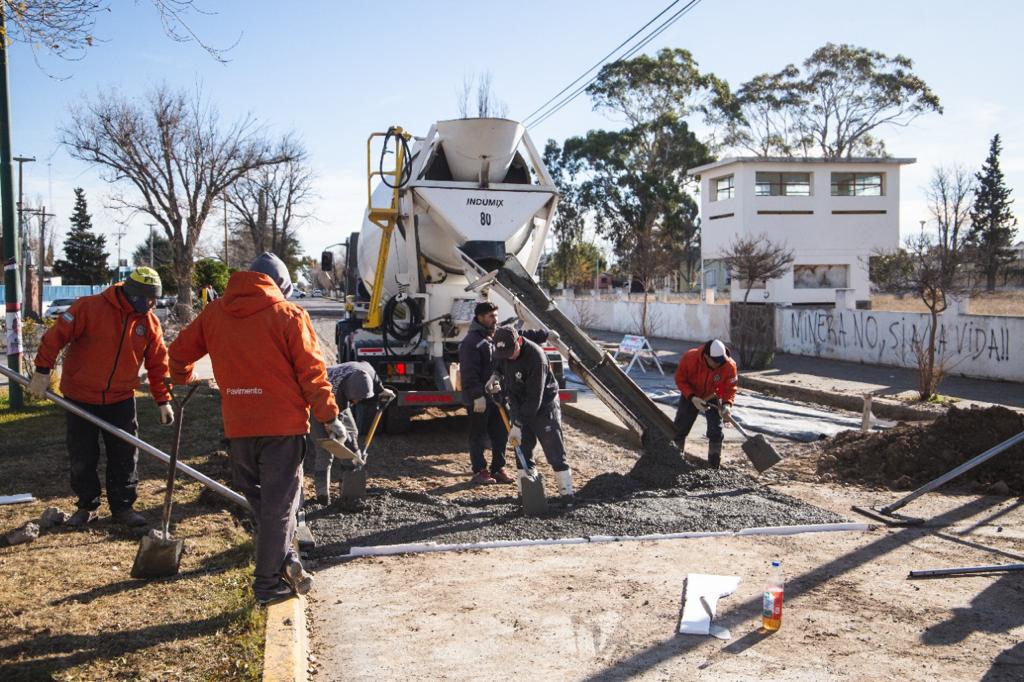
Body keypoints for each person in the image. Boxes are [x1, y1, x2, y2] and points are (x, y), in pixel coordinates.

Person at [168, 252, 344, 606]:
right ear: (280, 285)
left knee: (268, 507)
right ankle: (267, 586)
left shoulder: (215, 313)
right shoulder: (289, 315)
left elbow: (177, 354)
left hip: (238, 428)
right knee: (279, 509)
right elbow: (312, 374)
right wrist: (329, 417)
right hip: (282, 428)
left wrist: (184, 378)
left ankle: (288, 560)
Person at [28, 267, 173, 529]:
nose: (152, 304)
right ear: (134, 293)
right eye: (149, 299)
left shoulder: (148, 323)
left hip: (121, 398)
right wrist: (41, 371)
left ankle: (123, 507)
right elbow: (54, 337)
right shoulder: (89, 308)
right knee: (83, 455)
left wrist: (163, 400)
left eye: (155, 299)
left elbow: (158, 364)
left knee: (125, 455)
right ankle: (87, 506)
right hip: (81, 396)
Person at [491, 324, 573, 502]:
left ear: (519, 341)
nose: (509, 358)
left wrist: (518, 425)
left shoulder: (536, 358)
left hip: (543, 406)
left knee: (555, 452)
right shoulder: (501, 348)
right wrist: (495, 377)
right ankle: (527, 496)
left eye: (512, 353)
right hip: (518, 403)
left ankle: (566, 495)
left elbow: (535, 398)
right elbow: (499, 365)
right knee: (522, 450)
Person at [310, 361, 395, 504]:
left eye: (359, 399)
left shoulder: (369, 372)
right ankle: (322, 496)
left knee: (352, 434)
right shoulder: (334, 392)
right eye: (355, 399)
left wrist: (382, 391)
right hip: (318, 402)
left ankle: (349, 489)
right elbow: (331, 416)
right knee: (325, 448)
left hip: (341, 398)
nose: (356, 401)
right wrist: (332, 428)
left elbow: (376, 386)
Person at [458, 301, 517, 485]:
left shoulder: (496, 337)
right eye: (491, 316)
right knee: (478, 435)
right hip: (479, 399)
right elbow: (468, 373)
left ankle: (498, 468)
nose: (495, 319)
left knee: (500, 434)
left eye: (496, 315)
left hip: (498, 397)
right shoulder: (471, 342)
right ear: (480, 317)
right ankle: (480, 471)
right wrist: (478, 396)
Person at [673, 339, 738, 469]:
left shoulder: (729, 365)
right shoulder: (690, 358)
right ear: (706, 357)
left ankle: (713, 466)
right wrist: (692, 397)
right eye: (716, 361)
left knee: (716, 430)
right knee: (680, 429)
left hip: (713, 395)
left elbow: (730, 388)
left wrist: (727, 404)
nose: (719, 365)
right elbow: (680, 379)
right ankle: (674, 461)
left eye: (721, 361)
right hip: (691, 395)